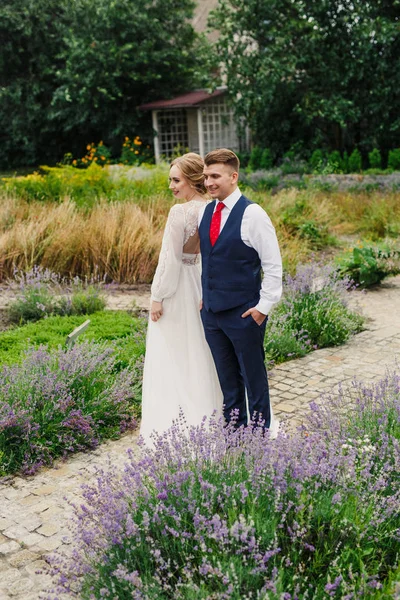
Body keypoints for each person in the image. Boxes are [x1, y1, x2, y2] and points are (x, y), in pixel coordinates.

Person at [140, 153, 223, 443]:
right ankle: (211, 413)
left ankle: (177, 419)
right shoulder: (215, 209)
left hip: (178, 289)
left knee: (173, 353)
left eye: (176, 180)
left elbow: (170, 259)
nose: (171, 186)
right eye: (170, 180)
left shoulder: (180, 213)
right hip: (203, 284)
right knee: (202, 349)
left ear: (191, 180)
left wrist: (157, 296)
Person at [199, 148, 282, 434]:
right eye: (206, 176)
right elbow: (209, 258)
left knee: (253, 380)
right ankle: (234, 440)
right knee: (228, 383)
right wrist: (204, 296)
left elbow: (273, 265)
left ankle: (259, 442)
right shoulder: (207, 211)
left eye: (215, 176)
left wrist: (263, 308)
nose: (209, 182)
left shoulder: (253, 214)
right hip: (212, 315)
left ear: (233, 177)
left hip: (244, 313)